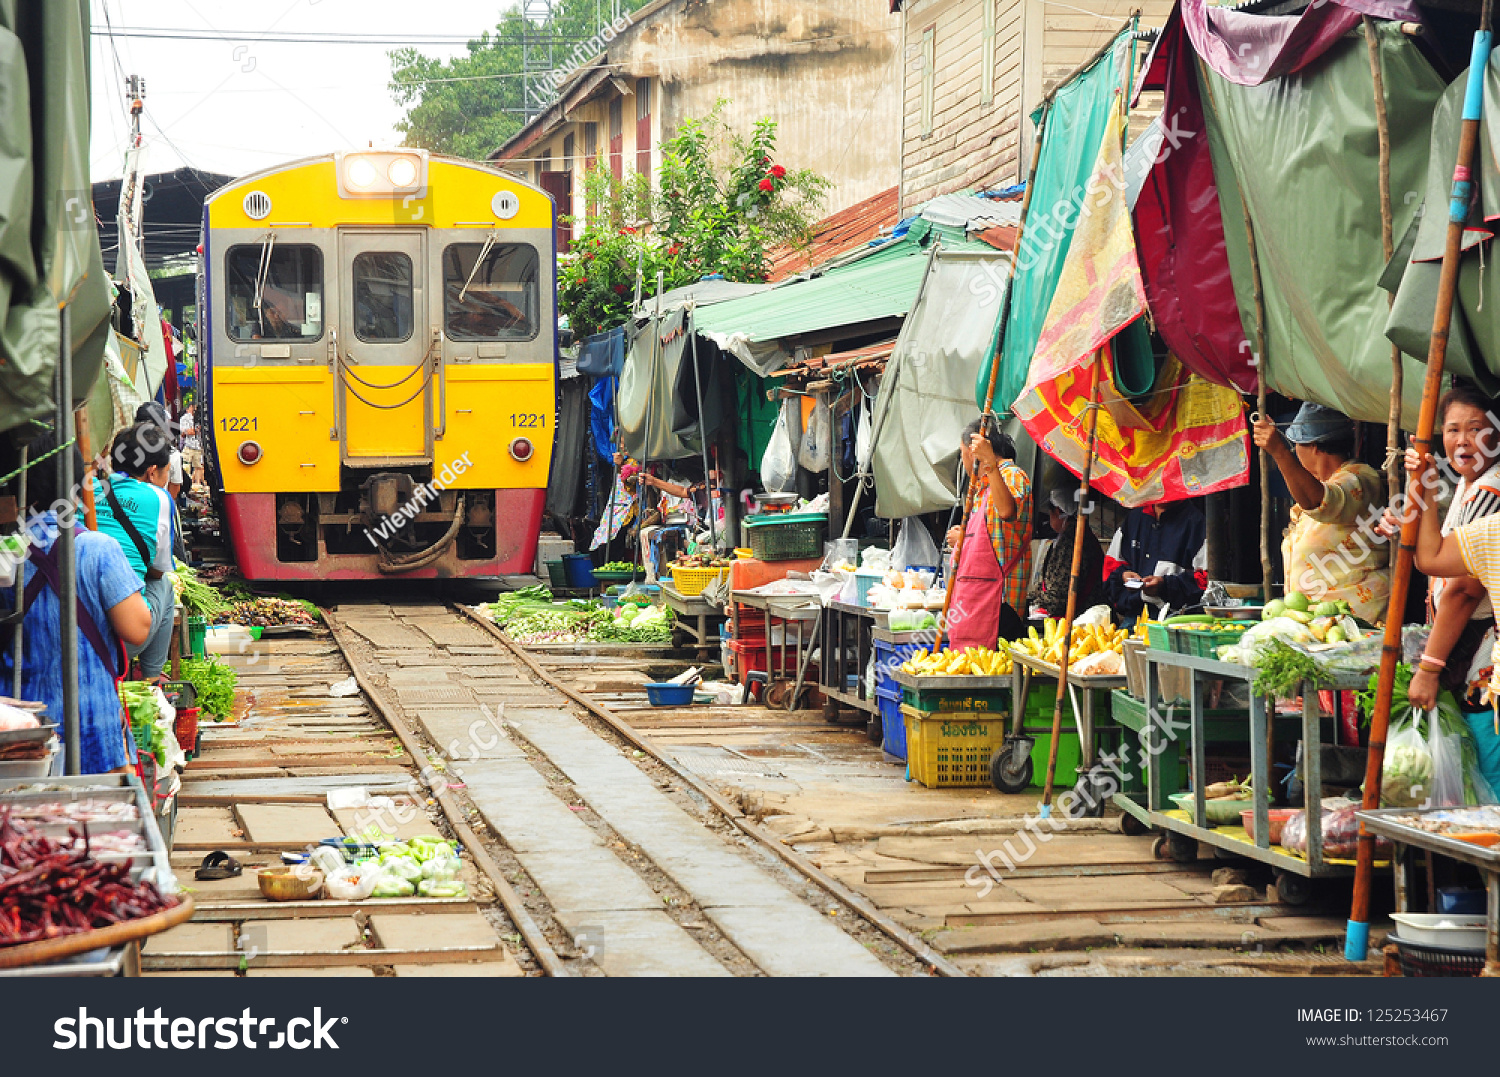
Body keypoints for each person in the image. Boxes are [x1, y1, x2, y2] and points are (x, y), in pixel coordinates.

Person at [1, 434, 152, 773]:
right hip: (93, 725)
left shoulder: (5, 553)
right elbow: (137, 629)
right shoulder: (99, 549)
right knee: (92, 820)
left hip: (20, 731)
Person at [1399, 388, 1500, 793]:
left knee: (1491, 784)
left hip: (1481, 663)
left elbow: (1462, 590)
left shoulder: (1491, 493)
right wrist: (1418, 482)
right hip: (1470, 659)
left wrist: (1429, 668)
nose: (1462, 439)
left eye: (1475, 429)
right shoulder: (1468, 483)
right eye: (1452, 429)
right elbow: (1428, 555)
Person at [1253, 402, 1391, 622]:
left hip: (1356, 622)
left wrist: (1279, 451)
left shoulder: (1359, 480)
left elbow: (1320, 502)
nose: (1294, 452)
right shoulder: (1325, 483)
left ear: (1313, 446)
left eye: (1295, 445)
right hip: (1318, 621)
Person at [92, 424, 177, 683]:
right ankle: (150, 681)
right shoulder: (159, 497)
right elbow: (159, 567)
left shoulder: (89, 489)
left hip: (75, 631)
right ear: (152, 472)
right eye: (166, 473)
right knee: (163, 584)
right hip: (122, 640)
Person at [943, 421, 1031, 649]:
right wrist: (963, 538)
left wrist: (990, 463)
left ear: (976, 453)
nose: (964, 462)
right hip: (973, 600)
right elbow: (991, 534)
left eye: (964, 454)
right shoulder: (983, 488)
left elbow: (1007, 511)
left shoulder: (1012, 475)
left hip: (999, 603)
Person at [1101, 500, 1206, 625]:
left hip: (1179, 620)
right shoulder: (1134, 518)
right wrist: (1123, 576)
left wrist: (1164, 586)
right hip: (1135, 615)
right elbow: (1111, 568)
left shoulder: (1197, 523)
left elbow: (1207, 582)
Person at [1029, 487, 1104, 619]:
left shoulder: (1072, 541)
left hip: (1078, 617)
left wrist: (1034, 603)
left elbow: (1059, 596)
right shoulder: (1075, 536)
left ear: (1057, 511)